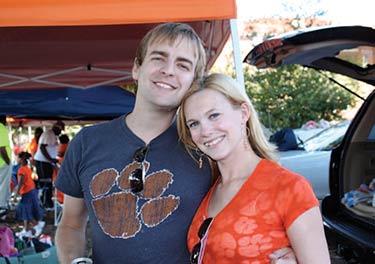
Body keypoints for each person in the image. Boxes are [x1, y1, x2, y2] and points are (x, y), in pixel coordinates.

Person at [55, 23, 296, 264]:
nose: (169, 71)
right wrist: (74, 261)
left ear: (193, 81)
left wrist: (286, 248)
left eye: (182, 65)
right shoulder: (86, 143)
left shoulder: (205, 146)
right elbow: (71, 224)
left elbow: (261, 204)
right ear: (137, 68)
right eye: (159, 58)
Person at [177, 73, 331, 263]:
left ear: (243, 113)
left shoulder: (289, 188)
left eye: (214, 115)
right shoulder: (209, 187)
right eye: (194, 123)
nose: (205, 131)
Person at [34, 121, 64, 209]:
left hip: (47, 162)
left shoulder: (52, 135)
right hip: (43, 162)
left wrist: (55, 157)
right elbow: (42, 148)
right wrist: (50, 159)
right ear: (57, 128)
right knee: (46, 182)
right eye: (60, 130)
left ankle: (47, 201)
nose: (60, 132)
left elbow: (50, 148)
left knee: (48, 182)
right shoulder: (48, 134)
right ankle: (45, 202)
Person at [14, 151, 44, 238]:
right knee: (27, 210)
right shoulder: (27, 168)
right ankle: (26, 230)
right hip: (31, 190)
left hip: (26, 192)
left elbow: (21, 182)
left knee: (25, 211)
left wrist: (17, 193)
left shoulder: (22, 169)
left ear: (21, 159)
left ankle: (37, 225)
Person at [0, 115, 12, 217]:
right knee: (3, 186)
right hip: (3, 162)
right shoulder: (1, 127)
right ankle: (1, 208)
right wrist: (8, 161)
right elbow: (2, 148)